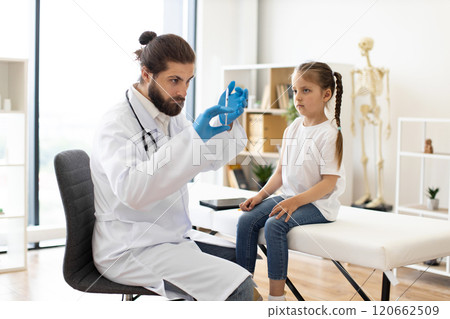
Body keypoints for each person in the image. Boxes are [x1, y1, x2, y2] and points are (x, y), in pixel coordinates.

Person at [90, 31, 255, 301]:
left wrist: (224, 126)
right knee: (239, 288)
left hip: (168, 238)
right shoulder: (116, 125)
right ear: (146, 74)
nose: (183, 92)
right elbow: (133, 192)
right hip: (131, 246)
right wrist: (194, 138)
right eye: (174, 80)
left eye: (188, 81)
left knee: (242, 263)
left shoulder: (169, 114)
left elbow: (206, 160)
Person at [236, 61, 345, 301]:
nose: (298, 97)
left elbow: (328, 184)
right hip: (291, 197)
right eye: (294, 91)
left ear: (326, 94)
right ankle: (243, 291)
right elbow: (280, 173)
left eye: (306, 90)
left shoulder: (330, 133)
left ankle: (277, 300)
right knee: (246, 220)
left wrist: (295, 202)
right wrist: (259, 196)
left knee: (275, 224)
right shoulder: (293, 127)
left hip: (319, 205)